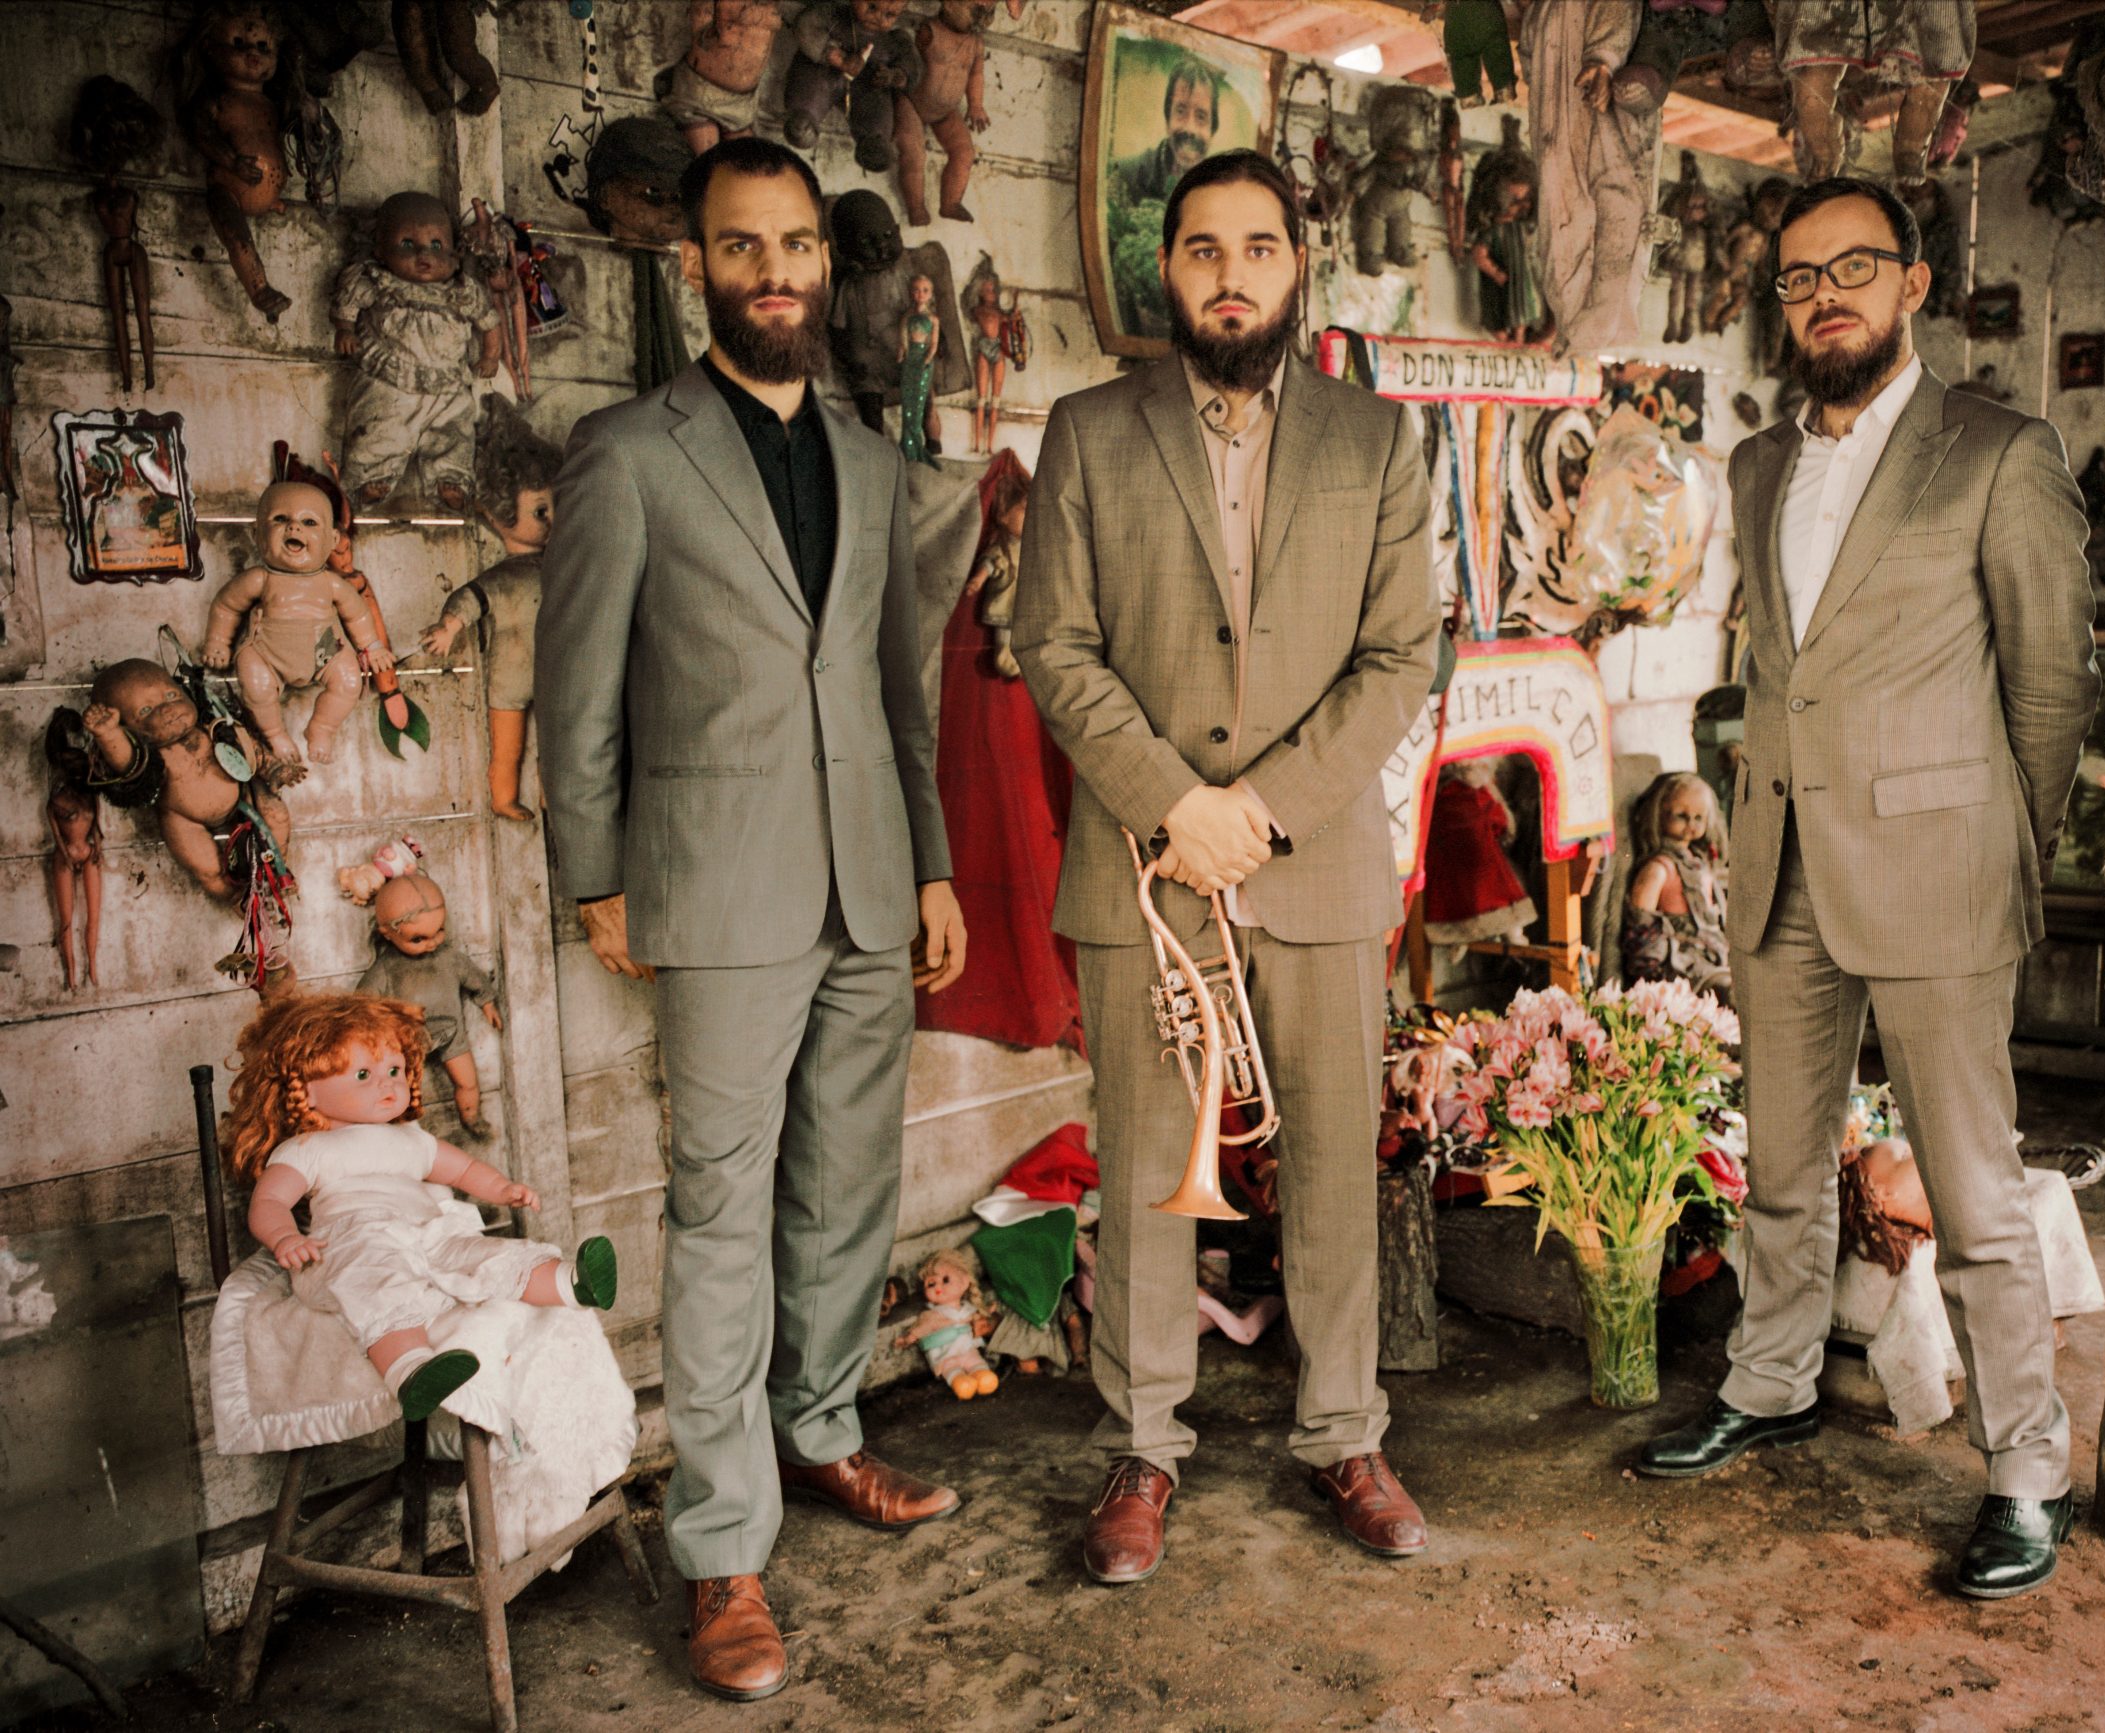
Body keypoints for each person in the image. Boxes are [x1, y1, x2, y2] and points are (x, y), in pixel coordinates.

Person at [537, 135, 969, 1702]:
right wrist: (596, 873)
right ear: (697, 265)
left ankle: (824, 1429)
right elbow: (576, 683)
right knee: (722, 1209)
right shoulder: (627, 452)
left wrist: (931, 864)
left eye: (795, 245)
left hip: (869, 876)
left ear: (824, 265)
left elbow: (897, 686)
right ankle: (724, 1546)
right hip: (715, 885)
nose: (773, 271)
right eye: (743, 246)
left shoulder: (870, 459)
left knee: (848, 1186)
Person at [1634, 177, 2099, 1603]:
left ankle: (2029, 1468)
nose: (1824, 294)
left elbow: (2050, 685)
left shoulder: (1999, 452)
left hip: (1939, 872)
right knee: (1781, 1167)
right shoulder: (1758, 464)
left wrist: (2003, 845)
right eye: (1798, 276)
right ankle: (1770, 1382)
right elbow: (1781, 668)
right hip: (1779, 863)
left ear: (1912, 284)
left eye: (1853, 267)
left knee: (1973, 1190)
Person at [1013, 149, 1440, 1588]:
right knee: (1148, 1170)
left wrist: (1257, 807)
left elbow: (1402, 656)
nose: (1231, 274)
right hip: (1145, 864)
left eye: (1259, 247)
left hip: (1312, 858)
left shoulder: (1377, 440)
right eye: (1204, 249)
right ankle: (1144, 1444)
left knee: (1330, 1159)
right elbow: (1052, 643)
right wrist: (1170, 806)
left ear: (1296, 266)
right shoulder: (1086, 430)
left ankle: (1345, 1435)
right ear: (1169, 270)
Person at [1108, 55, 1220, 209]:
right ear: (1168, 119)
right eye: (1180, 111)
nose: (1190, 128)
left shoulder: (1221, 196)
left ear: (1212, 130)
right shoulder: (1125, 178)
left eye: (1201, 116)